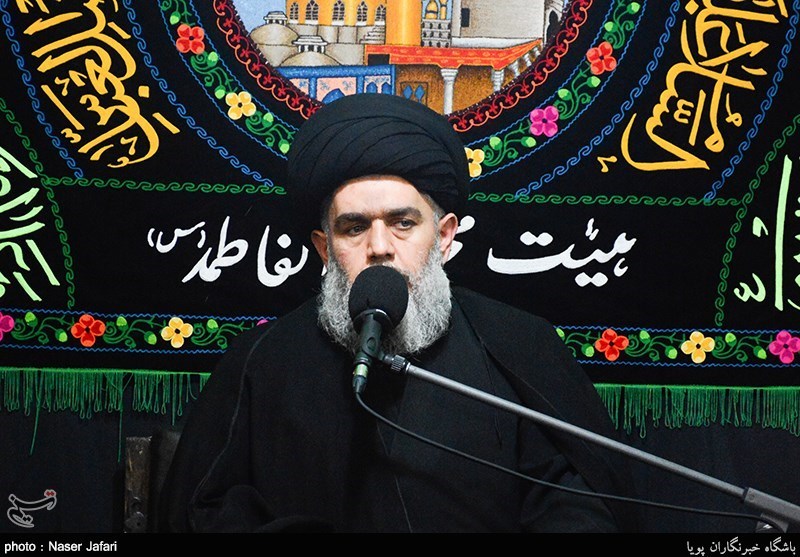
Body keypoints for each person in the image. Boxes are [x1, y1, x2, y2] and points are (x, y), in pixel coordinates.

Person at [158, 93, 639, 533]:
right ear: (324, 249)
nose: (380, 247)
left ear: (444, 236)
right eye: (354, 228)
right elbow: (203, 512)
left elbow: (577, 502)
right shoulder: (261, 363)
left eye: (403, 223)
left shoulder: (519, 344)